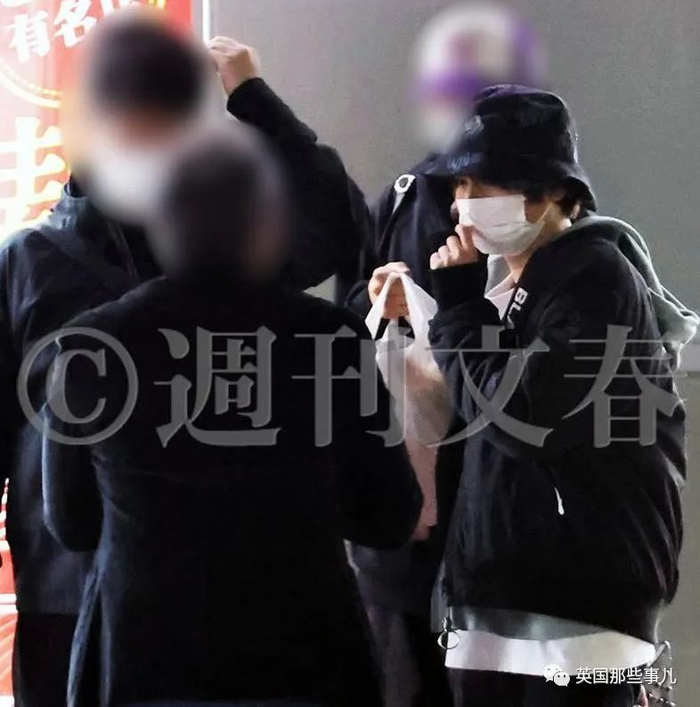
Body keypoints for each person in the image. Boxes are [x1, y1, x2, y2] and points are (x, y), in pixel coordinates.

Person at [0, 12, 366, 707]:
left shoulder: (240, 258)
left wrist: (257, 101)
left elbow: (342, 230)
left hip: (229, 593)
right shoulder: (29, 260)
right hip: (67, 584)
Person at [41, 126, 422, 707]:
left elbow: (70, 523)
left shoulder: (90, 346)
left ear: (156, 224)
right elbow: (389, 516)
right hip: (308, 661)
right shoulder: (330, 338)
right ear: (270, 225)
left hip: (140, 659)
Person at [426, 85, 688, 706]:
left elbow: (520, 416)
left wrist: (459, 312)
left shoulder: (593, 277)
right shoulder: (513, 288)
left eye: (486, 184)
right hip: (505, 611)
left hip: (579, 619)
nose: (465, 203)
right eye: (459, 185)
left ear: (556, 195)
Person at [341, 6, 546, 705]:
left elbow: (538, 380)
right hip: (409, 512)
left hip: (503, 521)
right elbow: (351, 321)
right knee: (405, 674)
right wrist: (379, 301)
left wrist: (452, 305)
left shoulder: (545, 219)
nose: (466, 202)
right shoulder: (402, 199)